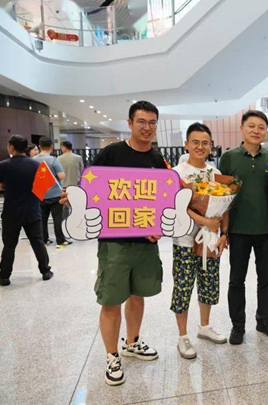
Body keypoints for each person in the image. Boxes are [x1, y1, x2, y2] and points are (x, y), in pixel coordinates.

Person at [66, 101, 167, 386]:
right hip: (114, 243)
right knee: (111, 299)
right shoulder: (112, 153)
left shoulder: (157, 158)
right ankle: (112, 356)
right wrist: (75, 197)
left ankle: (132, 343)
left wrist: (159, 227)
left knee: (138, 294)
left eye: (152, 122)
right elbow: (90, 186)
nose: (147, 127)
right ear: (130, 123)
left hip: (145, 244)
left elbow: (162, 200)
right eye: (141, 122)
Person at [218, 110, 268, 345]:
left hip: (266, 230)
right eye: (251, 126)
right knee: (237, 280)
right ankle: (238, 325)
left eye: (261, 127)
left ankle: (264, 321)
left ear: (265, 131)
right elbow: (222, 197)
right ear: (242, 128)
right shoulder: (229, 158)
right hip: (238, 230)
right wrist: (224, 231)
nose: (256, 131)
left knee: (266, 278)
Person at [171, 123, 229, 359]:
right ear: (186, 144)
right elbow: (177, 205)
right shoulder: (177, 173)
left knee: (209, 283)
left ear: (211, 146)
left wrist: (224, 233)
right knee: (183, 286)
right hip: (185, 239)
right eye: (195, 142)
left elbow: (225, 205)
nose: (200, 146)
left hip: (210, 239)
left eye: (205, 143)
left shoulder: (215, 173)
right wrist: (205, 221)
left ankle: (204, 327)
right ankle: (182, 336)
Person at [0, 135, 52, 286]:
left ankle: (4, 276)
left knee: (9, 245)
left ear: (12, 147)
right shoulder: (36, 165)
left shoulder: (3, 165)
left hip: (11, 210)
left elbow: (0, 185)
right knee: (37, 242)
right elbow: (44, 185)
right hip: (32, 209)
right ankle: (45, 271)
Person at [34, 137, 70, 248]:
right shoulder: (53, 160)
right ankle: (60, 241)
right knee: (57, 218)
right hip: (55, 195)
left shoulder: (33, 160)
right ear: (51, 147)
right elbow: (61, 176)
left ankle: (44, 240)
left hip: (40, 194)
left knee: (42, 219)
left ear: (39, 146)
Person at [57, 141, 84, 220]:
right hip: (76, 185)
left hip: (64, 185)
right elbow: (82, 170)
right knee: (76, 204)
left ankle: (66, 221)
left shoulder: (59, 158)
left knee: (65, 205)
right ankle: (77, 219)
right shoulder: (78, 157)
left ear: (64, 147)